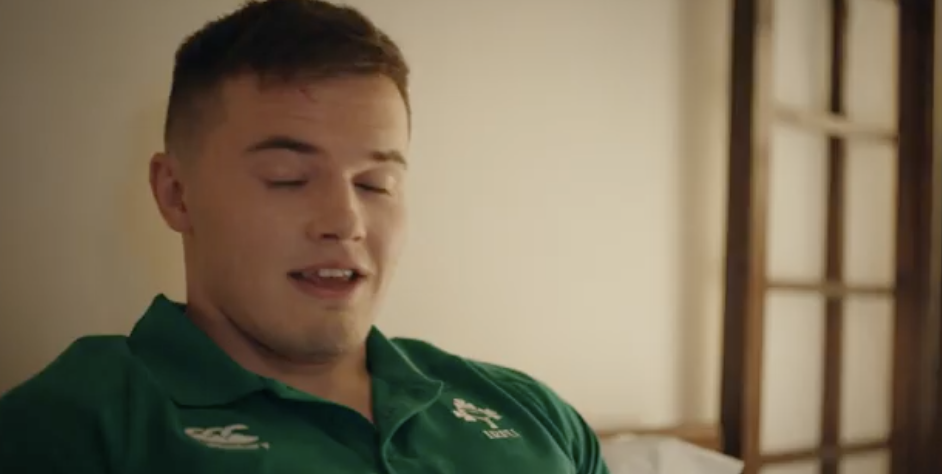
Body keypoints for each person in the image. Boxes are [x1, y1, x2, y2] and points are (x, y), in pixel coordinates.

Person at [0, 1, 610, 473]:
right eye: (287, 178)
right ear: (176, 194)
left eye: (375, 184)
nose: (345, 221)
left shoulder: (532, 413)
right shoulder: (76, 426)